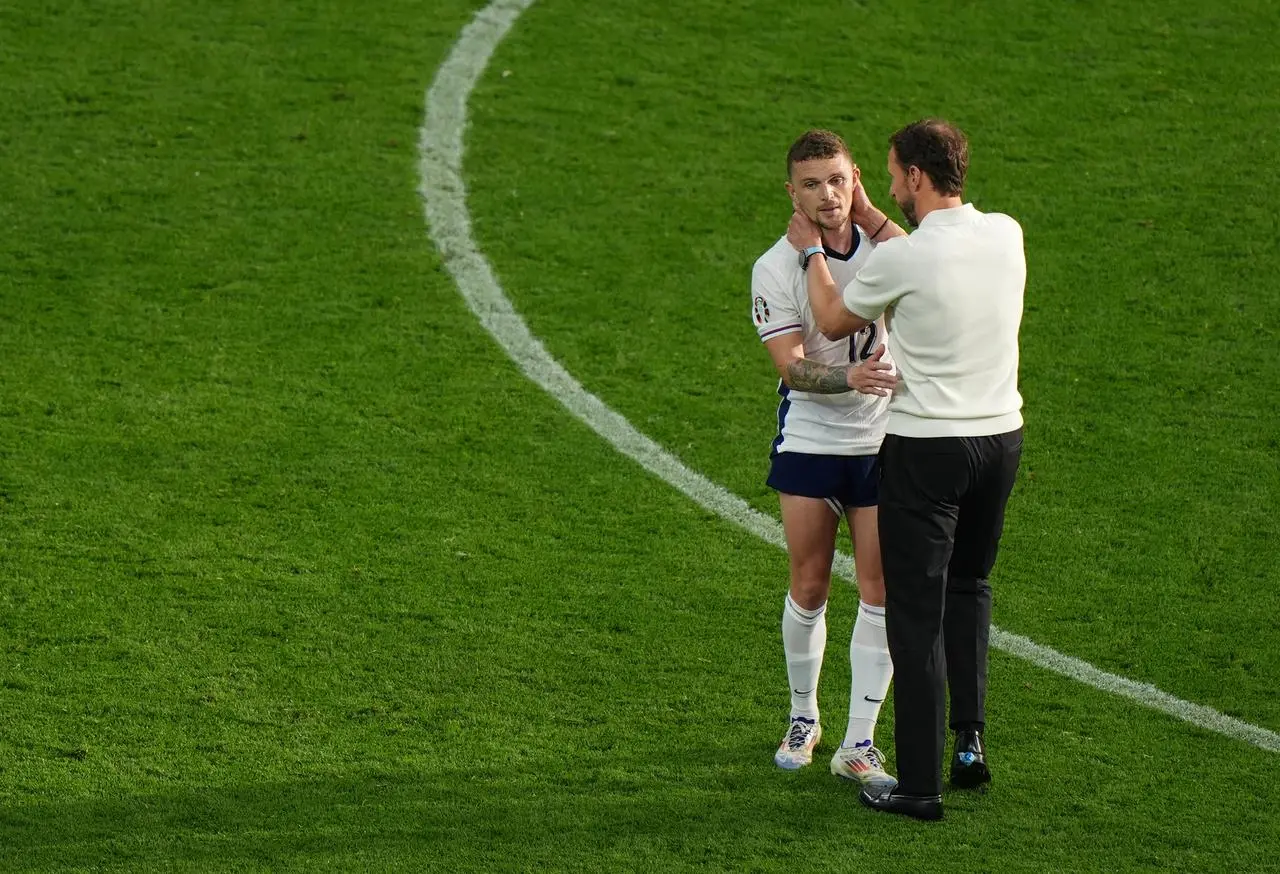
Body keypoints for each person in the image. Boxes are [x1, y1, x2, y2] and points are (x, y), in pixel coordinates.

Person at [787, 118, 1025, 821]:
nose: (887, 188)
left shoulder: (905, 259)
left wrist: (810, 256)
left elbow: (830, 321)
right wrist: (875, 218)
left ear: (916, 178)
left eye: (891, 177)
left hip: (928, 449)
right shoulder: (1007, 233)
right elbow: (925, 255)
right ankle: (969, 745)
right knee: (970, 588)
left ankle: (918, 787)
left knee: (914, 618)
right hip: (1002, 437)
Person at [750, 129, 906, 790]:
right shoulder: (771, 267)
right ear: (792, 192)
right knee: (809, 582)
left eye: (837, 180)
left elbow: (919, 251)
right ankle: (803, 716)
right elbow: (789, 367)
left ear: (856, 181)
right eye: (811, 184)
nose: (826, 195)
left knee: (880, 591)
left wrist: (873, 214)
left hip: (880, 442)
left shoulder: (889, 250)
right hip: (813, 438)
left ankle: (861, 740)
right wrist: (849, 381)